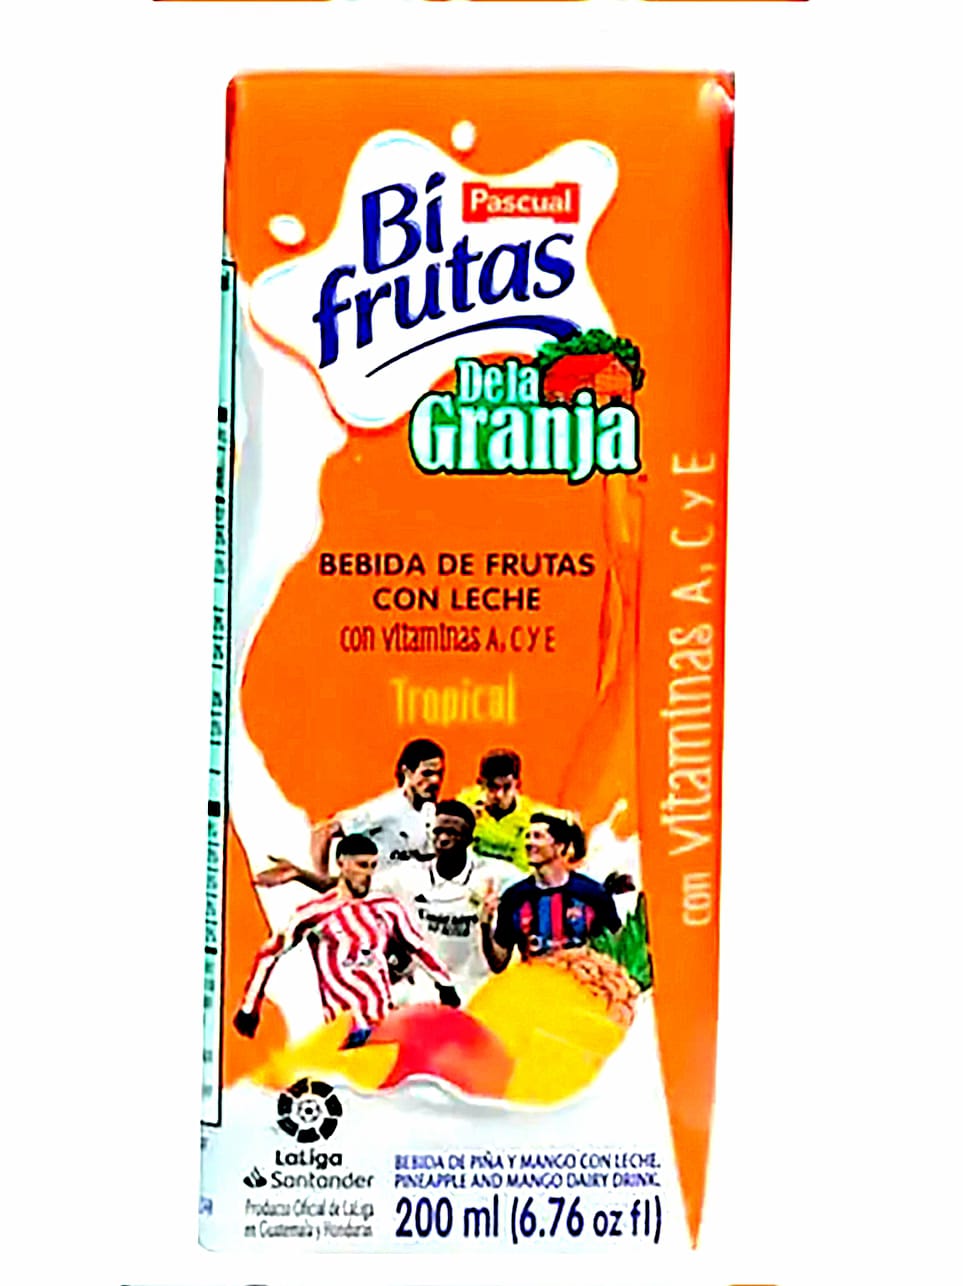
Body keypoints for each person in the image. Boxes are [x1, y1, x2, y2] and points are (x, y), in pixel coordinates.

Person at [233, 834, 459, 1039]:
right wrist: (250, 1007)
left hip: (384, 1024)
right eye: (362, 865)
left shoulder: (386, 907)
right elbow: (269, 954)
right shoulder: (315, 912)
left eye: (372, 866)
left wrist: (445, 985)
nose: (368, 874)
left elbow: (417, 946)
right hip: (346, 1030)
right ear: (341, 863)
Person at [381, 799, 516, 998]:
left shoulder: (495, 875)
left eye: (453, 833)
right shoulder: (407, 876)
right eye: (438, 832)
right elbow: (357, 889)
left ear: (469, 839)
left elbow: (540, 885)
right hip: (425, 988)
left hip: (477, 987)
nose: (443, 839)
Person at [479, 813, 622, 973]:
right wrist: (485, 926)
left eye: (538, 836)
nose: (529, 843)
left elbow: (618, 947)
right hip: (536, 983)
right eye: (527, 836)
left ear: (560, 846)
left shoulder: (593, 893)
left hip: (580, 983)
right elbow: (498, 964)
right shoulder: (514, 897)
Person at [296, 738, 445, 881]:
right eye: (427, 773)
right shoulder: (387, 807)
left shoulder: (434, 814)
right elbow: (322, 831)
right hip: (381, 893)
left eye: (439, 774)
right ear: (407, 772)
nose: (435, 781)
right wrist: (323, 881)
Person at [456, 748, 544, 869]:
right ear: (480, 784)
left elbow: (523, 870)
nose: (499, 795)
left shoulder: (530, 816)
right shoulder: (464, 804)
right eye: (492, 787)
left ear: (518, 784)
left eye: (507, 787)